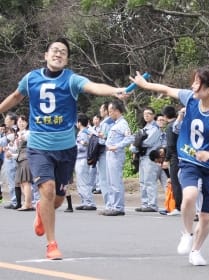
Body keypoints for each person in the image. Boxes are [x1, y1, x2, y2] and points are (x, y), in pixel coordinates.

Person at [0, 37, 126, 260]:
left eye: (63, 53)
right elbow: (16, 96)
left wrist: (113, 91)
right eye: (54, 51)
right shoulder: (31, 78)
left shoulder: (71, 80)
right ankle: (52, 244)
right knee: (47, 189)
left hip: (66, 148)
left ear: (66, 60)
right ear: (46, 55)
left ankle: (41, 210)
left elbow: (93, 87)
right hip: (39, 146)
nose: (58, 54)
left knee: (57, 199)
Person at [131, 65, 209, 266]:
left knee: (205, 217)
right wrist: (144, 84)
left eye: (197, 83)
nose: (193, 86)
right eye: (194, 81)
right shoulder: (190, 98)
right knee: (189, 196)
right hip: (190, 160)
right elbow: (167, 89)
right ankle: (186, 233)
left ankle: (196, 250)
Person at [102, 100, 133, 216]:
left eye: (110, 111)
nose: (109, 114)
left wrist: (116, 146)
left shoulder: (123, 124)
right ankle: (111, 205)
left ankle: (118, 207)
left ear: (116, 111)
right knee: (110, 181)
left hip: (116, 155)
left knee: (115, 182)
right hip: (110, 154)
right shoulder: (115, 124)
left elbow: (129, 138)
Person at [134, 107, 161, 212]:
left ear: (154, 115)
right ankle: (145, 204)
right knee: (142, 181)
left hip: (150, 157)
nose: (146, 115)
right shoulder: (144, 128)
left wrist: (136, 144)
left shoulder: (155, 128)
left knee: (150, 182)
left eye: (149, 113)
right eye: (145, 114)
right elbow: (136, 141)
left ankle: (152, 204)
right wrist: (136, 144)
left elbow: (147, 142)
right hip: (142, 157)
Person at [73, 113, 97, 211]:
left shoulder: (84, 133)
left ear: (79, 122)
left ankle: (89, 202)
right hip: (80, 159)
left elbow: (84, 146)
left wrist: (77, 146)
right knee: (80, 182)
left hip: (82, 159)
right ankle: (84, 201)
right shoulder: (83, 132)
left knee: (83, 182)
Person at [15, 115, 34, 211]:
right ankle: (28, 203)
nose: (21, 123)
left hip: (26, 158)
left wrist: (22, 137)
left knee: (26, 182)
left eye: (23, 121)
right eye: (19, 121)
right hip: (20, 159)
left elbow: (27, 139)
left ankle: (27, 204)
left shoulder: (28, 133)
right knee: (22, 183)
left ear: (27, 123)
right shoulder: (18, 134)